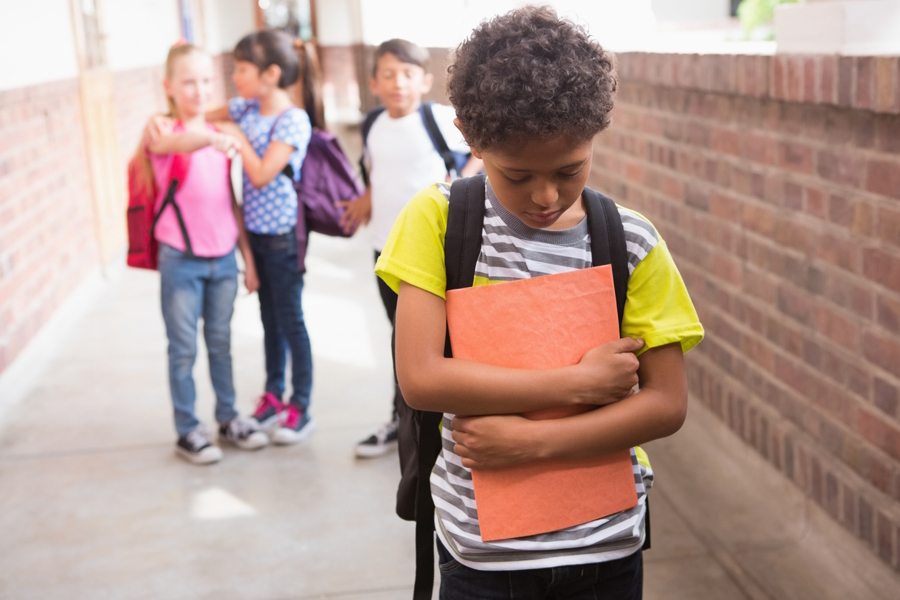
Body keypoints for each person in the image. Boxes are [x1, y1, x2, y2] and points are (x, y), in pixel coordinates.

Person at [375, 6, 704, 597]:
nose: (545, 195)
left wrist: (534, 441)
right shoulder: (439, 220)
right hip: (482, 555)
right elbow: (421, 378)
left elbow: (666, 403)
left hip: (607, 547)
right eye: (517, 175)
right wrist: (573, 385)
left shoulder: (630, 242)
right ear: (470, 139)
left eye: (569, 169)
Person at [339, 39, 483, 458]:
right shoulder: (372, 125)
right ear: (374, 82)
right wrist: (366, 199)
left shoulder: (437, 119)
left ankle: (436, 426)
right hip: (385, 251)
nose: (397, 83)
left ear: (424, 80)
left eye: (406, 74)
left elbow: (479, 153)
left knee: (436, 345)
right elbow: (377, 171)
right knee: (402, 341)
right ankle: (405, 426)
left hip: (432, 255)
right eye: (387, 74)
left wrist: (461, 182)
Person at [137, 42, 269, 465]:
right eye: (188, 81)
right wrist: (215, 137)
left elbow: (231, 201)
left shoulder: (221, 136)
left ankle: (228, 418)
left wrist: (247, 259)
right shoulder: (162, 132)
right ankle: (188, 430)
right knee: (183, 349)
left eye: (207, 80)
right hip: (181, 258)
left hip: (223, 259)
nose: (199, 89)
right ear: (169, 87)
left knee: (220, 342)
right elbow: (185, 143)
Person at [204, 30, 317, 446]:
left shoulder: (292, 119)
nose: (236, 76)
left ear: (271, 74)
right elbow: (203, 119)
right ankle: (273, 396)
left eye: (242, 69)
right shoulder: (243, 107)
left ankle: (300, 407)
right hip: (253, 233)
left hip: (283, 238)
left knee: (291, 322)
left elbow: (262, 172)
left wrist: (236, 136)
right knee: (268, 321)